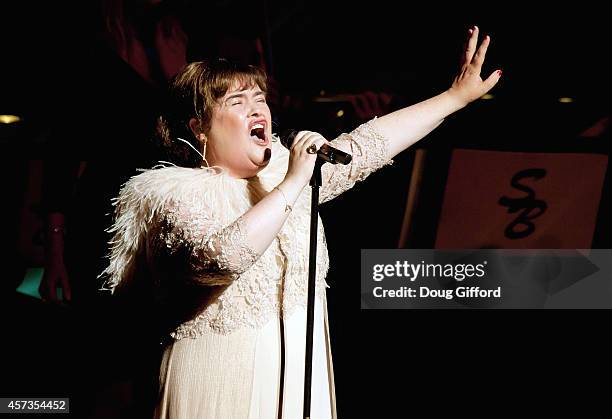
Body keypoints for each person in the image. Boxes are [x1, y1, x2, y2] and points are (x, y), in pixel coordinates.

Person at [100, 26, 500, 418]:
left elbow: (368, 146)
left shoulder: (284, 177)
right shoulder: (170, 194)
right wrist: (293, 182)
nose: (258, 108)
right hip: (222, 377)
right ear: (199, 128)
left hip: (296, 372)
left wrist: (453, 98)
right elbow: (220, 259)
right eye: (238, 101)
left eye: (260, 98)